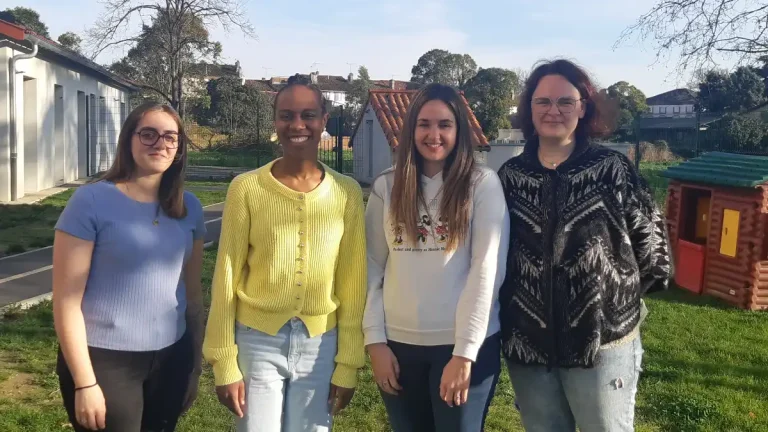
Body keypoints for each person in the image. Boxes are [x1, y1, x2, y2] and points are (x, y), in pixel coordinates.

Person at [497, 59, 673, 432]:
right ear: (529, 109)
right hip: (529, 344)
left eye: (565, 100)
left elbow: (652, 247)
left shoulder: (611, 168)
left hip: (602, 343)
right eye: (542, 101)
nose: (553, 110)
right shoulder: (511, 177)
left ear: (583, 106)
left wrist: (612, 302)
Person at [203, 74, 367, 432]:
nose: (297, 125)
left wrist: (349, 361)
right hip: (257, 339)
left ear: (324, 120)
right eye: (287, 115)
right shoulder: (245, 189)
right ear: (275, 121)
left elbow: (354, 280)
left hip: (321, 345)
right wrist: (224, 361)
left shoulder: (347, 192)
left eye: (308, 115)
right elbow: (226, 274)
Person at [364, 83, 510, 432]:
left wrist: (464, 352)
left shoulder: (482, 184)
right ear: (411, 128)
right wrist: (375, 341)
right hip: (398, 347)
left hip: (462, 345)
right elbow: (371, 267)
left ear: (459, 130)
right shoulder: (386, 186)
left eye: (444, 124)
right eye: (424, 124)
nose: (434, 134)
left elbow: (486, 271)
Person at [53, 102, 207, 432]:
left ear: (179, 148)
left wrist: (194, 366)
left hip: (171, 358)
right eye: (148, 134)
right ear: (129, 140)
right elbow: (66, 301)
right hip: (104, 361)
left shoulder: (189, 208)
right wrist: (85, 383)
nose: (160, 144)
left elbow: (193, 296)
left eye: (170, 137)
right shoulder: (90, 201)